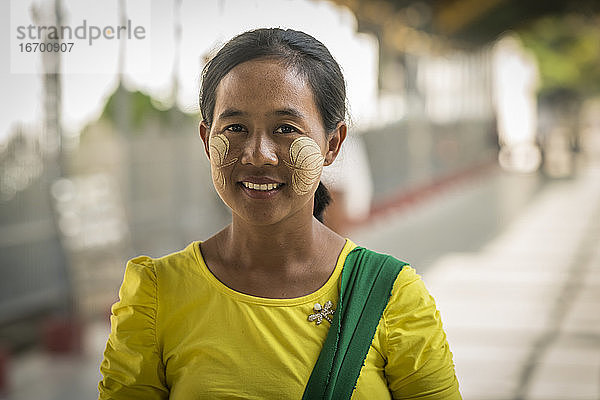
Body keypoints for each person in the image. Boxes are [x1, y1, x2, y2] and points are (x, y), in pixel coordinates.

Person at [98, 28, 461, 399]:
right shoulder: (156, 294)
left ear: (332, 144)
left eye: (286, 129)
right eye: (236, 127)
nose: (258, 154)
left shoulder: (390, 295)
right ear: (207, 140)